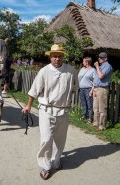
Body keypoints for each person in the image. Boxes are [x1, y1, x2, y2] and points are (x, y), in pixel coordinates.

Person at [22, 44, 78, 180]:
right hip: (46, 110)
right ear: (50, 57)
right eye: (54, 56)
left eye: (59, 56)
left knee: (60, 139)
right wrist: (28, 105)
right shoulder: (44, 71)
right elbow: (34, 90)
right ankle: (45, 165)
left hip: (63, 111)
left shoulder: (71, 71)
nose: (57, 59)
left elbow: (74, 88)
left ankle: (56, 161)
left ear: (62, 56)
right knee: (46, 139)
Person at [92, 52, 113, 130]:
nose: (99, 59)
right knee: (95, 108)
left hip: (102, 89)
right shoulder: (101, 66)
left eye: (101, 58)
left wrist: (97, 66)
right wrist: (93, 88)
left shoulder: (108, 66)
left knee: (102, 108)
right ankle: (96, 122)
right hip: (97, 88)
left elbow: (101, 76)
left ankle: (102, 126)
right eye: (99, 57)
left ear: (105, 58)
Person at [78, 57, 96, 123]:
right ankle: (84, 115)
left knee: (89, 104)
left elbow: (95, 81)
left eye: (84, 61)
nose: (83, 63)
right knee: (83, 103)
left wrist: (92, 90)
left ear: (87, 62)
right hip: (81, 89)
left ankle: (90, 118)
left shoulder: (93, 70)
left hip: (88, 89)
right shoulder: (82, 69)